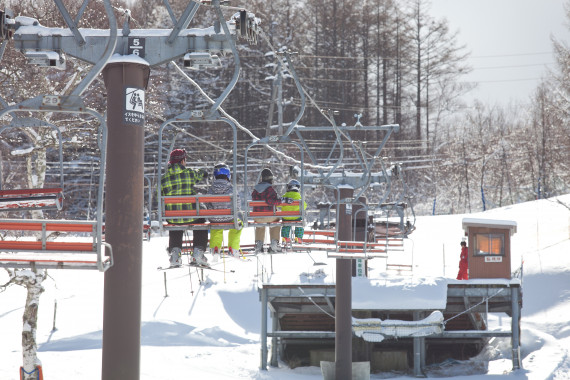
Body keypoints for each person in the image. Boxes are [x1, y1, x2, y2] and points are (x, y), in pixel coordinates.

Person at [161, 148, 209, 267]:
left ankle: (175, 255)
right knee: (201, 222)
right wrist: (203, 172)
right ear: (182, 161)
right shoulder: (190, 173)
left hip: (172, 217)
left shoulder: (163, 178)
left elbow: (159, 196)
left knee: (175, 224)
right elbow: (199, 174)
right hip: (191, 216)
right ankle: (198, 252)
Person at [251, 168, 292, 253]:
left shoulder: (255, 190)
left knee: (260, 225)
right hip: (270, 216)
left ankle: (259, 244)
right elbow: (271, 201)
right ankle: (274, 243)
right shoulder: (270, 189)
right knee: (276, 223)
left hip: (257, 217)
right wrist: (282, 200)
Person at [207, 163, 242, 259]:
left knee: (216, 226)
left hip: (214, 218)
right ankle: (233, 248)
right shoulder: (231, 188)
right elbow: (237, 204)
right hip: (229, 217)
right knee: (238, 224)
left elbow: (207, 203)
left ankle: (215, 249)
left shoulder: (211, 189)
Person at [280, 179, 308, 244]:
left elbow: (279, 205)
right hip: (296, 217)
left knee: (286, 225)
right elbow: (304, 206)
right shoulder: (298, 197)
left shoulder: (285, 196)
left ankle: (285, 237)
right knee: (300, 223)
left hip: (286, 217)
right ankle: (298, 238)